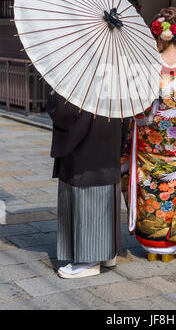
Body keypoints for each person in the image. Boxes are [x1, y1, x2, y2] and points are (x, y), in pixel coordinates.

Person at [121, 7, 176, 262]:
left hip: (148, 148)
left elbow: (132, 108)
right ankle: (170, 246)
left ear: (160, 37)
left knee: (151, 195)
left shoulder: (145, 70)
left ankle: (152, 246)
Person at [47, 91, 124, 278]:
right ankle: (107, 253)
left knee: (85, 194)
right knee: (105, 193)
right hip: (109, 141)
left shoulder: (80, 81)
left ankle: (88, 261)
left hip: (85, 147)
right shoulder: (115, 79)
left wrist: (53, 96)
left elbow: (66, 113)